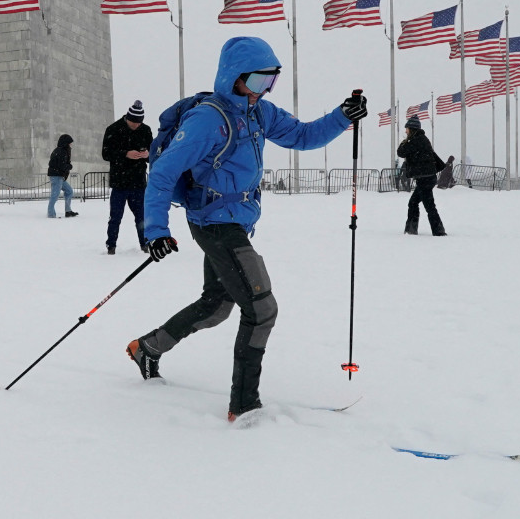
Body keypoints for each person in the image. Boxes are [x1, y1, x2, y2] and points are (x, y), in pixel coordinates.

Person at [125, 36, 366, 422]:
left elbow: (303, 136)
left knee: (216, 306)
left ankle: (148, 348)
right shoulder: (208, 120)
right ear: (233, 77)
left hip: (235, 221)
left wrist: (342, 116)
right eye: (257, 81)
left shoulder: (259, 113)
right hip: (215, 224)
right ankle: (244, 406)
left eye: (270, 81)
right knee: (261, 309)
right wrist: (156, 230)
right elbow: (164, 172)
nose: (263, 90)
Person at [101, 100, 151, 253]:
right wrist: (125, 154)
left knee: (142, 217)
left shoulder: (146, 130)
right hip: (119, 183)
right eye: (133, 122)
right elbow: (106, 154)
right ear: (127, 118)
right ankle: (111, 245)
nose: (136, 125)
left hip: (138, 182)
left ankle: (145, 244)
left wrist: (148, 155)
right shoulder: (113, 129)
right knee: (115, 217)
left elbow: (154, 154)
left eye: (139, 123)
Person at [398, 116, 446, 236]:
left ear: (412, 129)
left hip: (425, 179)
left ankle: (438, 231)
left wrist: (404, 142)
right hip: (427, 178)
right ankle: (412, 229)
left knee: (429, 206)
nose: (405, 131)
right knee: (414, 203)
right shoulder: (422, 139)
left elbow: (401, 152)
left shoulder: (416, 140)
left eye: (407, 128)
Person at [46, 134, 77, 218]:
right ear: (66, 143)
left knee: (69, 191)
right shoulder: (61, 151)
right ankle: (51, 214)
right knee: (55, 195)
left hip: (59, 176)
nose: (71, 145)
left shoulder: (60, 150)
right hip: (57, 176)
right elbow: (61, 165)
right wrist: (69, 166)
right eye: (70, 143)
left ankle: (68, 211)